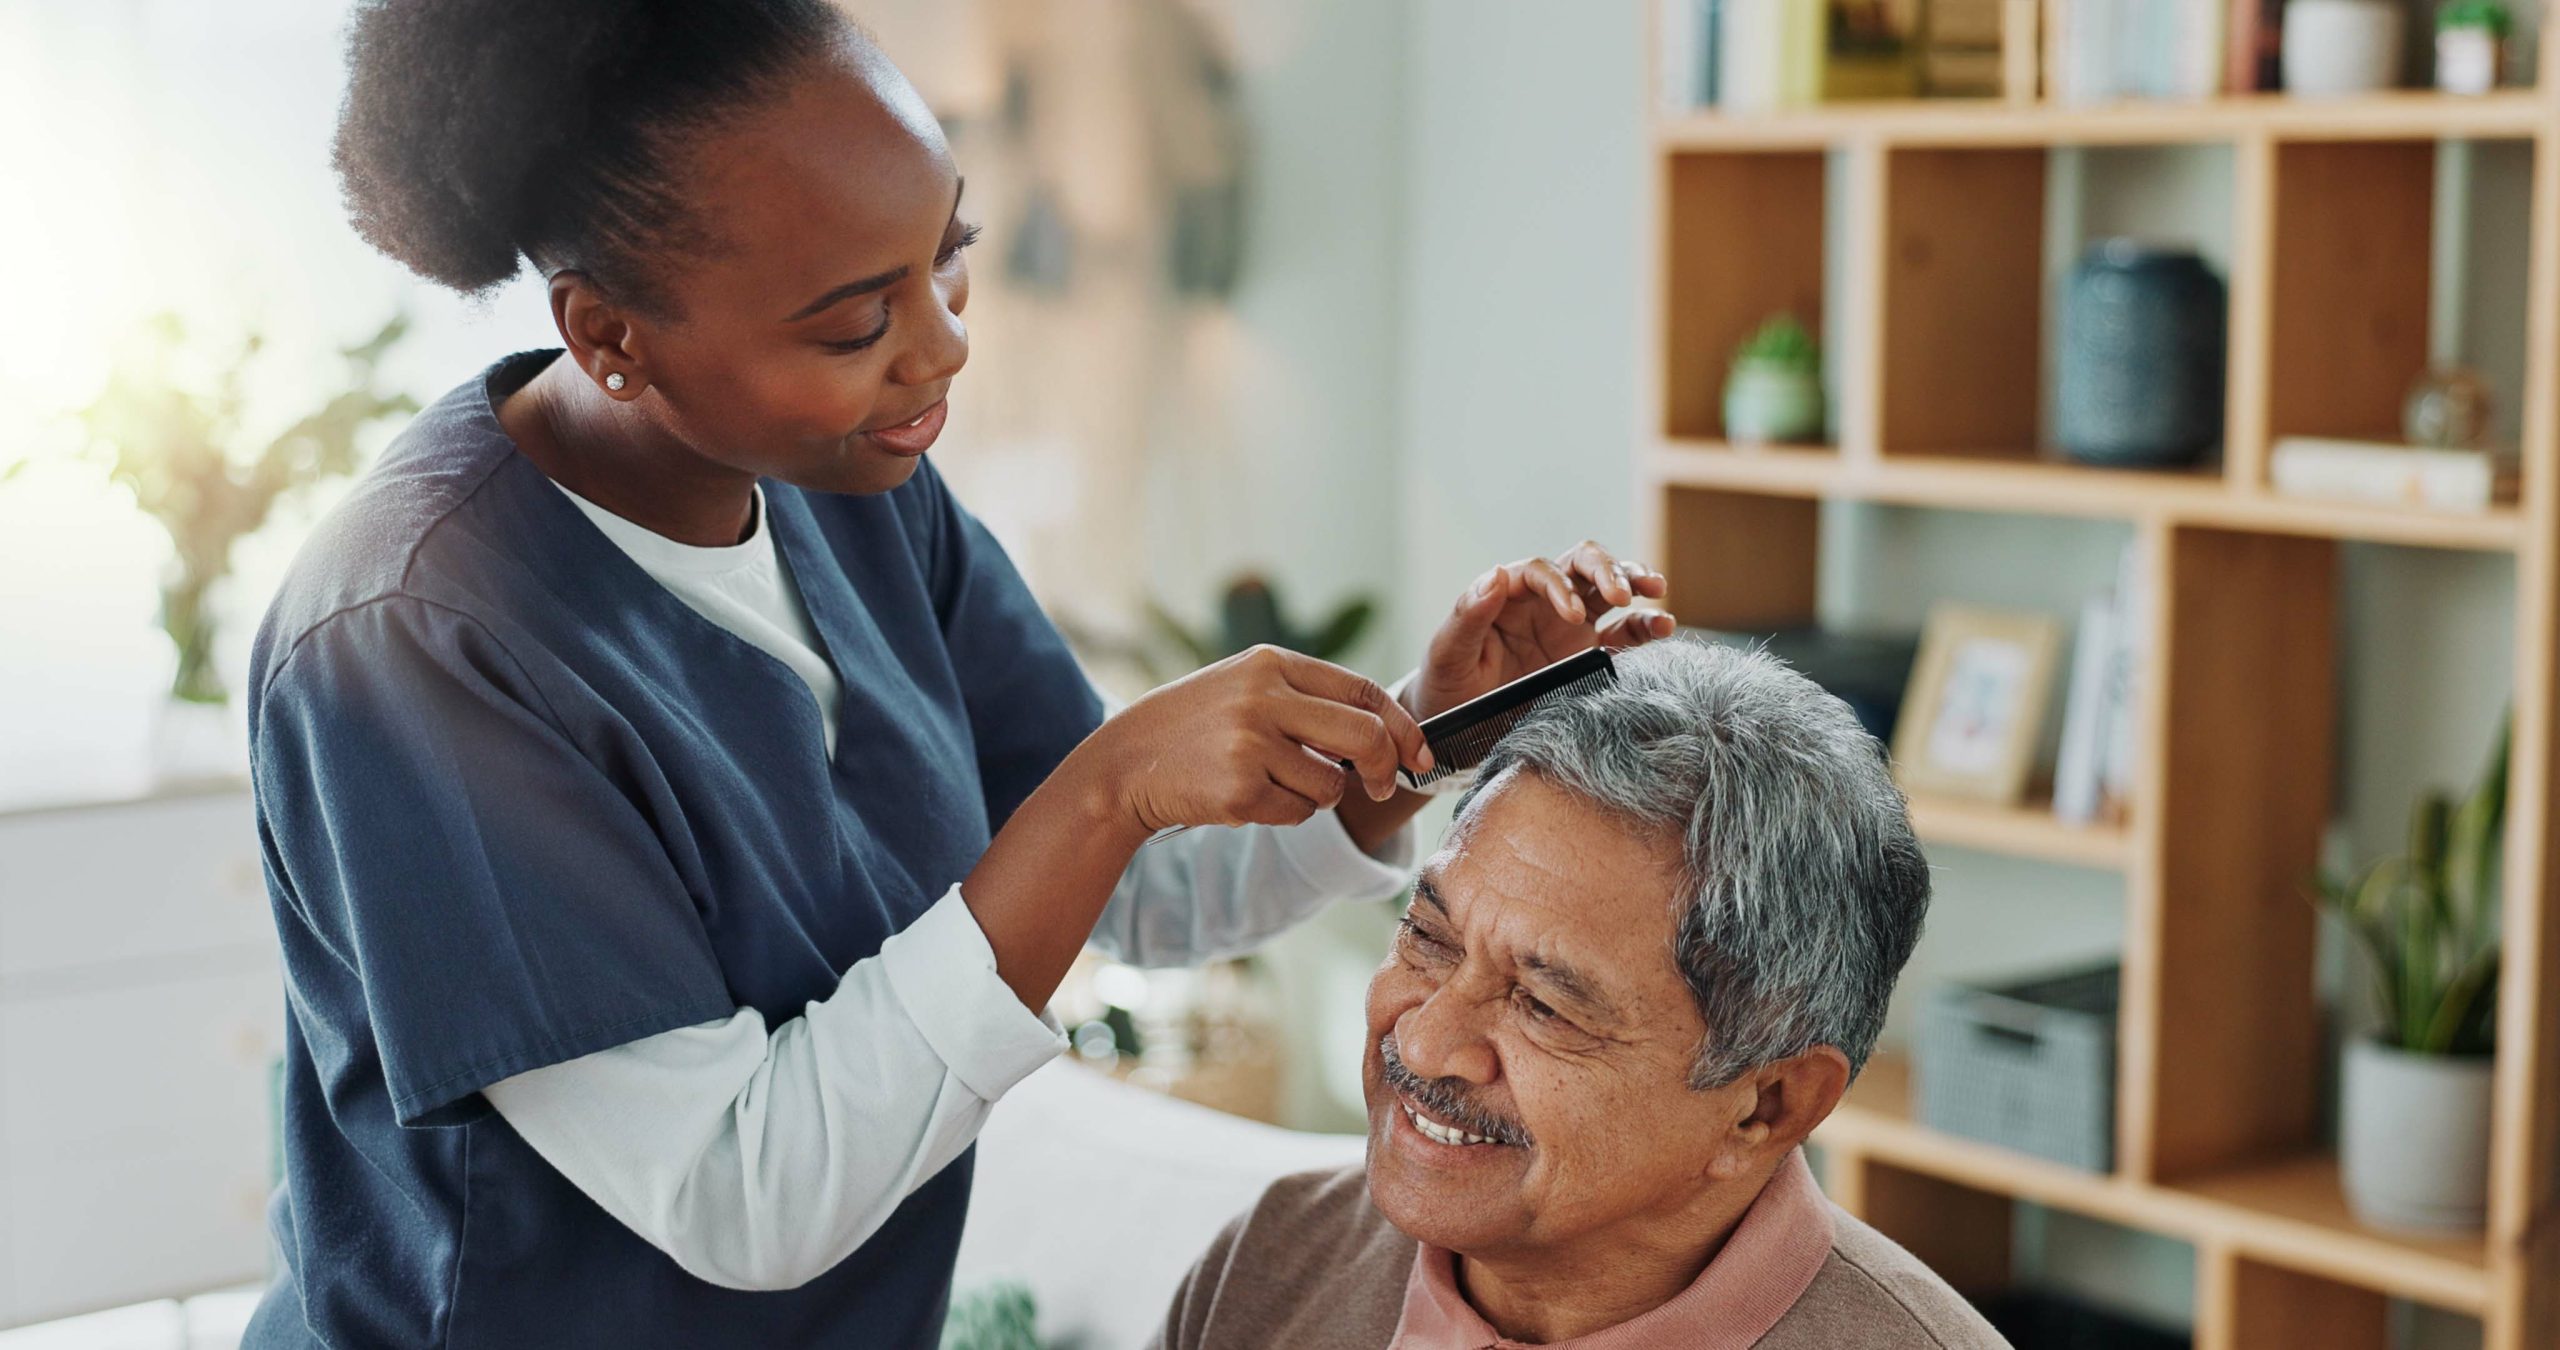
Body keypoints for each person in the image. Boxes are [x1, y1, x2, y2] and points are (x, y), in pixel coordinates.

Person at [243, 3, 1677, 1347]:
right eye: (853, 322)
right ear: (608, 335)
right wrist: (1110, 784)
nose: (944, 345)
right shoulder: (414, 644)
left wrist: (1421, 729)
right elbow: (745, 1195)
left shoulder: (852, 494)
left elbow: (1129, 890)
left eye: (948, 251)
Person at [1155, 640, 2011, 1349]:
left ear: (1768, 1104)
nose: (1423, 1042)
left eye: (1544, 1006)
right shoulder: (1273, 1262)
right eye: (1429, 939)